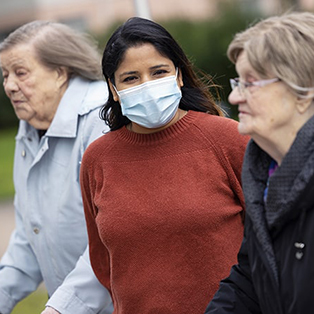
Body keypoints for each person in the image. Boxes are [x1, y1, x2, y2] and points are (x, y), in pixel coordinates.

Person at [80, 17, 249, 314]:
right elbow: (103, 261)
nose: (148, 85)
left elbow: (267, 242)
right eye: (131, 78)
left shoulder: (228, 140)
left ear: (179, 76)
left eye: (159, 72)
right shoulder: (97, 159)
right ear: (114, 88)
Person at [204, 11, 314, 314]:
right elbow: (250, 279)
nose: (234, 96)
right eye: (237, 81)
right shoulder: (263, 175)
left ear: (303, 90)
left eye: (250, 83)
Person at [0, 21, 113, 314]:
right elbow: (29, 237)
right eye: (5, 75)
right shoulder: (31, 126)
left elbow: (112, 239)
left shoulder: (102, 116)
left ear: (60, 72)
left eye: (20, 73)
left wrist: (60, 309)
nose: (9, 85)